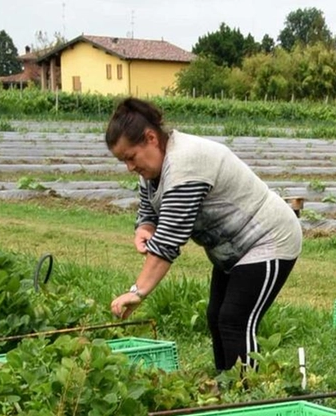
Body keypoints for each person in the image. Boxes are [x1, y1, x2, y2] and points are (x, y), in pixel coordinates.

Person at [106, 98, 300, 372]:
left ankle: (250, 401)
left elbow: (170, 240)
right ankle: (227, 391)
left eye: (130, 157)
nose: (129, 167)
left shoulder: (186, 163)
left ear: (150, 138)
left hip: (268, 238)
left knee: (235, 319)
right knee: (217, 317)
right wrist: (145, 227)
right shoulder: (153, 169)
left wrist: (138, 292)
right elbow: (149, 210)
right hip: (232, 250)